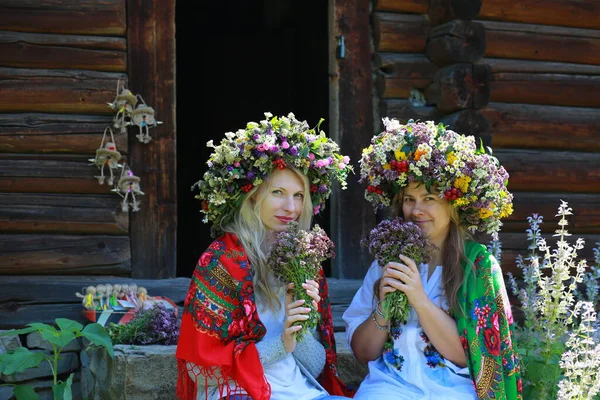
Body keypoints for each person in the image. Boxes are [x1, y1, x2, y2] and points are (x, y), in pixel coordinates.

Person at [176, 112, 354, 400]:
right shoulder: (222, 262)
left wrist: (299, 327)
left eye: (298, 195)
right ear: (254, 196)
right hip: (237, 393)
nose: (290, 207)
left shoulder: (303, 260)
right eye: (278, 192)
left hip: (300, 392)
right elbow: (205, 370)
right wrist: (281, 343)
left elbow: (315, 366)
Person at [343, 119, 523, 400]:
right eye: (408, 199)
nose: (416, 210)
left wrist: (419, 299)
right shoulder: (386, 262)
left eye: (429, 198)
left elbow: (469, 357)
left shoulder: (478, 268)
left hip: (454, 390)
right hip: (389, 387)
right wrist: (383, 308)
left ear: (453, 205)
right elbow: (363, 353)